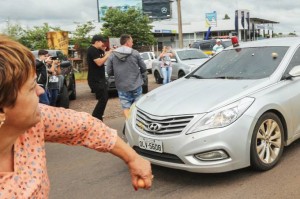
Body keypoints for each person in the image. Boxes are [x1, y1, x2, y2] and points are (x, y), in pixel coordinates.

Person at [0, 35, 153, 197]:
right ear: (2, 110)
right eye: (31, 87)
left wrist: (133, 158)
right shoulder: (97, 52)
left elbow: (85, 126)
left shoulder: (34, 121)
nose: (41, 91)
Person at [106, 34, 146, 119]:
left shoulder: (112, 54)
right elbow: (144, 67)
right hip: (136, 84)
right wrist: (139, 73)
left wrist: (118, 73)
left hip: (121, 85)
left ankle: (129, 124)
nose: (132, 43)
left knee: (126, 107)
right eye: (131, 41)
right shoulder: (135, 52)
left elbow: (108, 71)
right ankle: (137, 125)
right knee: (137, 106)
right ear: (127, 42)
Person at [87, 35, 112, 121]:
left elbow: (102, 57)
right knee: (103, 98)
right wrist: (108, 54)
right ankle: (96, 117)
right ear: (97, 41)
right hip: (95, 79)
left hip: (100, 78)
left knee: (104, 97)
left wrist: (105, 51)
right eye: (102, 42)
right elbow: (99, 63)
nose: (102, 44)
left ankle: (97, 116)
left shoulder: (98, 50)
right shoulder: (91, 50)